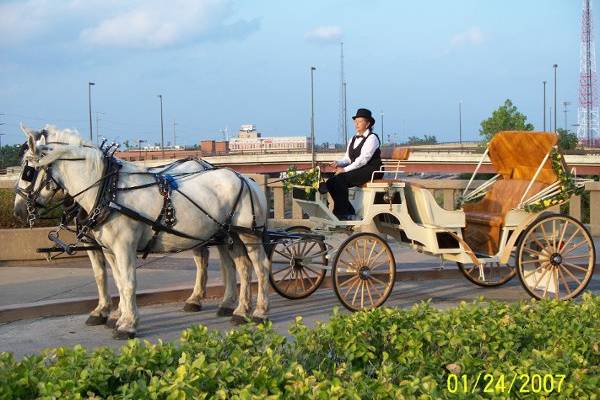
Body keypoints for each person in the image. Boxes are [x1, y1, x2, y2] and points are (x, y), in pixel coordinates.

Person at [321, 108, 382, 220]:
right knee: (330, 182)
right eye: (355, 121)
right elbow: (348, 158)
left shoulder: (372, 138)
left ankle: (342, 213)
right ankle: (348, 210)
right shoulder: (353, 138)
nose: (356, 124)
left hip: (371, 169)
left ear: (368, 123)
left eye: (360, 121)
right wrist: (338, 163)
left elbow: (363, 159)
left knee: (340, 179)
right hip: (359, 168)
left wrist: (344, 170)